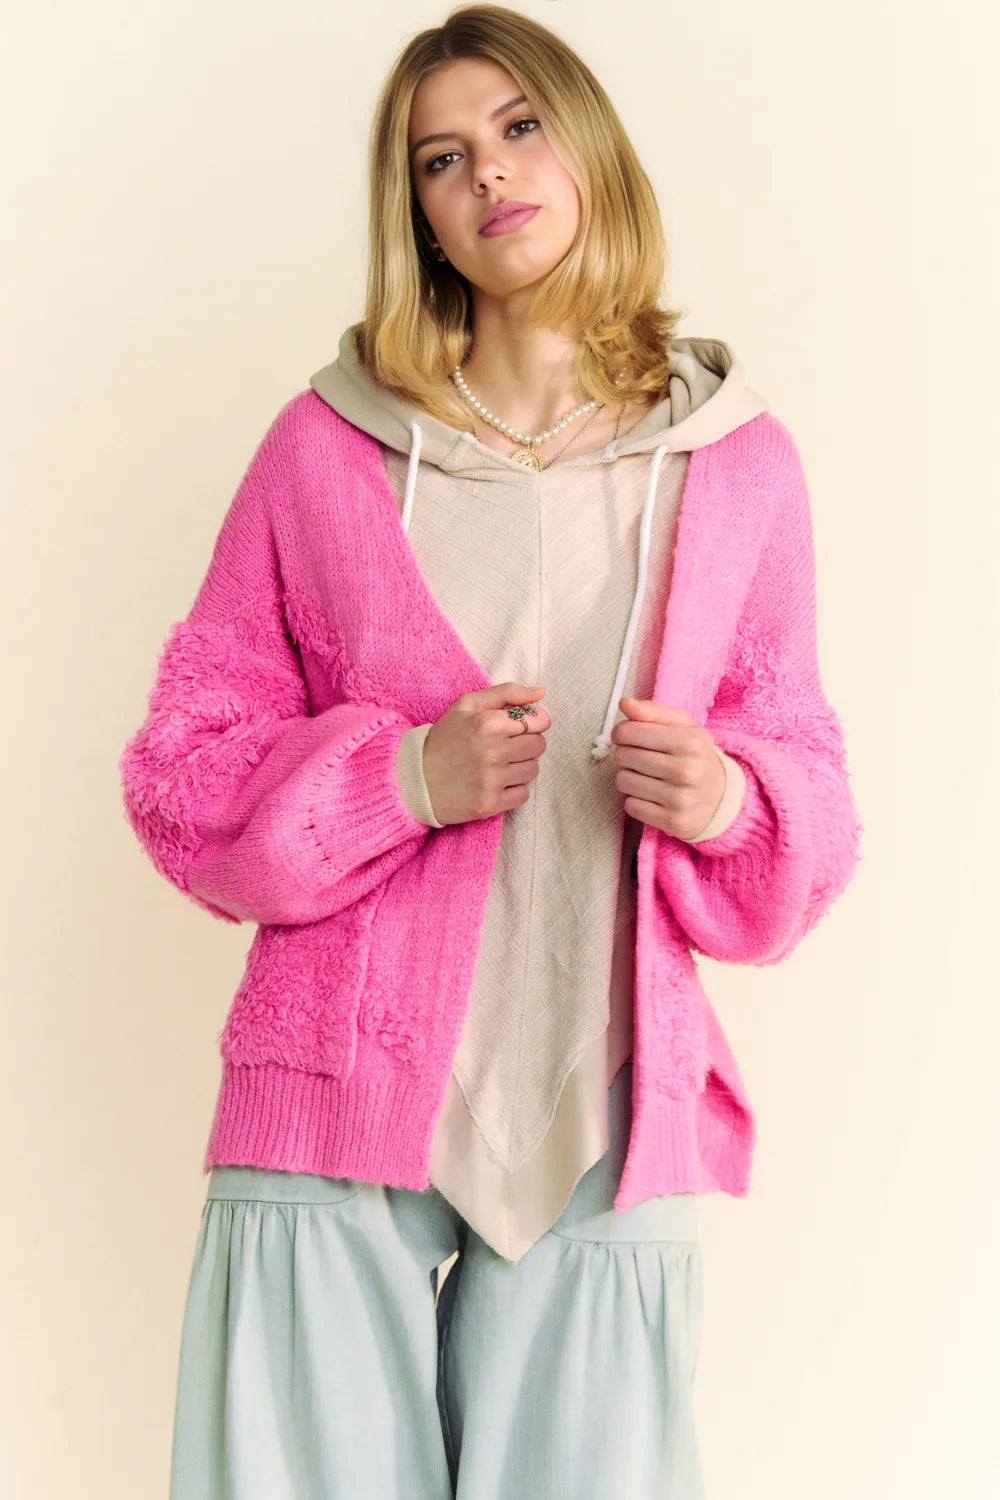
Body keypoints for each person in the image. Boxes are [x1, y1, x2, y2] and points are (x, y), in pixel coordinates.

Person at [118, 6, 863, 1497]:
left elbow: (809, 795)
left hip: (604, 1087)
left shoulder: (735, 466)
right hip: (334, 1086)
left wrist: (730, 800)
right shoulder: (324, 451)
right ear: (419, 215)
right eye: (441, 158)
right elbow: (181, 772)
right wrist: (400, 781)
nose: (489, 174)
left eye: (519, 128)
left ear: (588, 147)